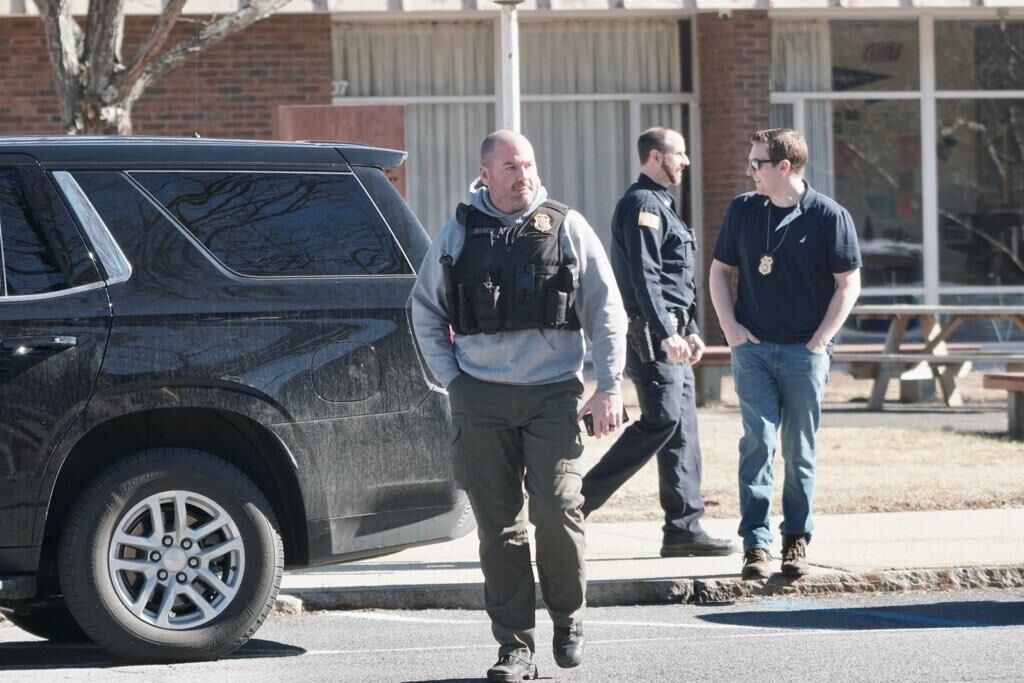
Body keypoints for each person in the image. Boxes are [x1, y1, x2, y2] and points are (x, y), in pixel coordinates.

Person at [411, 130, 627, 682]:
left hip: (552, 395)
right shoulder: (459, 231)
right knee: (499, 528)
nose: (522, 175)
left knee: (557, 510)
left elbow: (606, 310)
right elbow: (425, 310)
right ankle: (514, 648)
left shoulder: (566, 226)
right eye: (509, 166)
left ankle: (567, 615)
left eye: (527, 164)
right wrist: (453, 380)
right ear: (485, 173)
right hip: (478, 398)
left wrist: (608, 386)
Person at [708, 128, 862, 580]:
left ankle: (796, 538)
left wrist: (820, 341)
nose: (749, 170)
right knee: (757, 443)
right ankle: (756, 544)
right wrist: (731, 330)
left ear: (784, 167)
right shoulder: (743, 210)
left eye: (756, 163)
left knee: (798, 449)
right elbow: (719, 272)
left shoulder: (828, 216)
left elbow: (848, 284)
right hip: (752, 350)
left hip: (803, 353)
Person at [580, 127, 735, 558]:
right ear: (654, 156)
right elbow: (644, 277)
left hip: (672, 335)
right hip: (651, 336)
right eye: (678, 153)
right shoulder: (642, 205)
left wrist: (690, 331)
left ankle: (684, 528)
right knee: (663, 420)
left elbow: (676, 281)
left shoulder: (665, 206)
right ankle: (575, 503)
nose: (685, 161)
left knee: (683, 430)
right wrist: (667, 333)